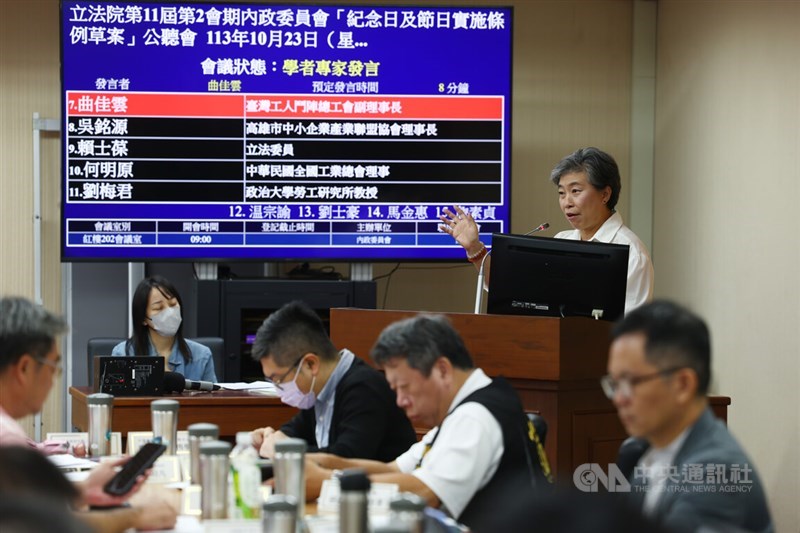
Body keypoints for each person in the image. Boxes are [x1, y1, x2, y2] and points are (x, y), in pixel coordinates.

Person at [304, 314, 552, 532]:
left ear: (442, 370)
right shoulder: (469, 405)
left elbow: (425, 492)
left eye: (405, 387)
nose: (400, 400)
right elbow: (395, 470)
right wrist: (326, 462)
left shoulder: (474, 417)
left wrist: (327, 482)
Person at [0, 296, 177, 532]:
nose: (54, 380)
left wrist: (81, 492)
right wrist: (136, 516)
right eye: (53, 367)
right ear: (24, 368)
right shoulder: (6, 440)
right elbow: (45, 527)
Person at [603, 300, 773, 532]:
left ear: (683, 385)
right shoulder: (642, 451)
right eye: (615, 383)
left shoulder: (718, 472)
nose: (618, 399)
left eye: (631, 382)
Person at [439, 146, 654, 314]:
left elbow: (634, 331)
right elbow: (513, 291)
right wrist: (475, 248)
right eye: (562, 193)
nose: (567, 202)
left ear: (605, 194)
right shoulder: (562, 240)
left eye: (576, 191)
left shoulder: (631, 252)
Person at [250, 300, 416, 461]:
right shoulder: (319, 389)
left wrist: (284, 450)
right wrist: (270, 438)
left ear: (310, 364)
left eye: (279, 379)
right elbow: (295, 430)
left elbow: (347, 458)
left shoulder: (364, 388)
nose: (279, 389)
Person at [112, 275, 217, 382]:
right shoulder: (123, 354)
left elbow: (213, 397)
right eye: (158, 308)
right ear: (143, 318)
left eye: (173, 304)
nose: (169, 312)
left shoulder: (202, 355)